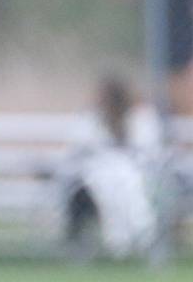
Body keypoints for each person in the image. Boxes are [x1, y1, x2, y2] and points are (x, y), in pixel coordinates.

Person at [61, 73, 161, 259]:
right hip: (93, 183)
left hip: (134, 179)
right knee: (107, 179)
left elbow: (147, 152)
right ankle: (132, 236)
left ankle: (130, 237)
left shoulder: (138, 117)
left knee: (125, 178)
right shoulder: (91, 118)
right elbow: (80, 151)